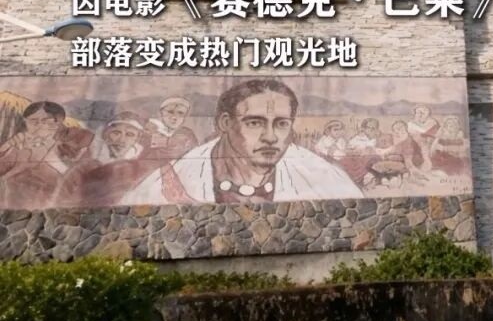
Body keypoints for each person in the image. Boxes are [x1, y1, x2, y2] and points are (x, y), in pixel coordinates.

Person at [122, 79, 362, 205]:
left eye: (281, 124)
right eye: (254, 123)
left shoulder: (320, 175)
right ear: (225, 123)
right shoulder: (171, 182)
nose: (270, 137)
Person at [0, 101, 92, 209]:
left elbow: (82, 179)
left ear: (59, 123)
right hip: (12, 204)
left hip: (52, 206)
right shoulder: (19, 144)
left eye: (46, 121)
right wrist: (6, 149)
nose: (39, 126)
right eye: (33, 121)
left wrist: (49, 158)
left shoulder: (71, 146)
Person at [141, 97, 198, 162]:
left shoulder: (188, 134)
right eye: (170, 112)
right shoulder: (149, 130)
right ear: (161, 113)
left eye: (180, 113)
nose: (174, 117)